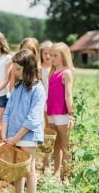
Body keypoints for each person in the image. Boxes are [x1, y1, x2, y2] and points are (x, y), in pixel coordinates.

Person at [2, 49, 45, 193]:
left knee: (29, 170)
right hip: (13, 136)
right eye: (14, 69)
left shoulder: (38, 90)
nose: (15, 72)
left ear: (28, 68)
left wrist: (16, 138)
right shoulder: (17, 88)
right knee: (18, 171)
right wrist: (4, 134)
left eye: (18, 69)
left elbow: (33, 119)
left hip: (28, 137)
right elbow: (7, 112)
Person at [46, 42, 74, 182]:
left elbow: (68, 95)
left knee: (64, 145)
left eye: (55, 55)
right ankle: (56, 174)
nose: (51, 57)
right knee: (56, 145)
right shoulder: (52, 72)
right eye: (50, 55)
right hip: (51, 113)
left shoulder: (66, 72)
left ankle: (67, 176)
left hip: (62, 114)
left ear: (63, 56)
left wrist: (71, 115)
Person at [39, 40, 53, 174]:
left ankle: (47, 162)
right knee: (42, 131)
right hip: (41, 103)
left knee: (50, 132)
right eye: (45, 53)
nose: (48, 56)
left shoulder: (55, 68)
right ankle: (38, 158)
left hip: (53, 104)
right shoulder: (39, 68)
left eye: (50, 53)